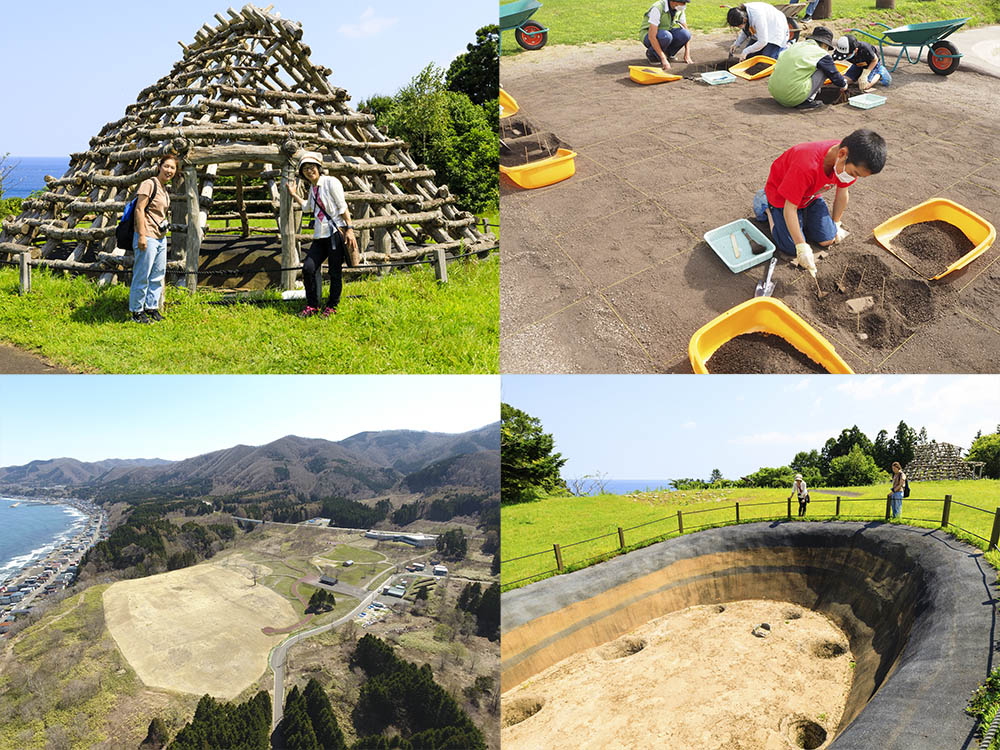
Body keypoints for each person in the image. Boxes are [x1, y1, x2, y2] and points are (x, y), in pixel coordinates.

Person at [751, 129, 887, 277]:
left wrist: (836, 223)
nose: (854, 178)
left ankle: (803, 217)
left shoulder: (845, 160)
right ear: (842, 154)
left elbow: (842, 192)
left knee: (828, 238)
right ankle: (767, 207)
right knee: (791, 247)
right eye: (854, 173)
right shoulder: (805, 165)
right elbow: (790, 208)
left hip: (810, 196)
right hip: (782, 197)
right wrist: (801, 246)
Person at [285, 152, 358, 319]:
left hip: (335, 232)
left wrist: (350, 229)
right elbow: (308, 207)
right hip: (320, 235)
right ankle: (312, 305)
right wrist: (294, 194)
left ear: (318, 168)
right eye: (305, 170)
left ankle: (332, 305)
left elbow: (342, 207)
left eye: (311, 168)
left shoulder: (331, 182)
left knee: (334, 272)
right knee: (308, 268)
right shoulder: (313, 188)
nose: (309, 171)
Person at [129, 154, 178, 323]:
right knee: (142, 274)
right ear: (159, 166)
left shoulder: (164, 188)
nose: (169, 170)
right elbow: (139, 209)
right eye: (166, 166)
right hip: (147, 235)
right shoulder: (149, 184)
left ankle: (151, 308)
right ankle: (137, 311)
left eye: (172, 168)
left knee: (158, 274)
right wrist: (141, 235)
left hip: (160, 238)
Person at [768, 26, 847, 110]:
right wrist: (843, 84)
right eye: (827, 47)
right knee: (824, 70)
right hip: (791, 97)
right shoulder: (821, 53)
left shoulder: (795, 46)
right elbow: (833, 73)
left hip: (775, 92)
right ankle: (807, 101)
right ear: (824, 44)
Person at [641, 0, 693, 70]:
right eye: (683, 3)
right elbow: (651, 36)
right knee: (666, 36)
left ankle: (668, 54)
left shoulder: (679, 9)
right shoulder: (657, 8)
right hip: (648, 35)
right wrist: (663, 59)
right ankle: (652, 54)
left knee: (685, 34)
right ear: (673, 1)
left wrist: (687, 54)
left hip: (666, 32)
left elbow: (686, 31)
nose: (684, 5)